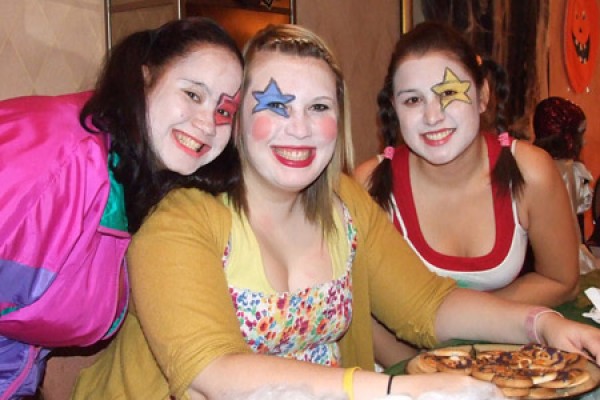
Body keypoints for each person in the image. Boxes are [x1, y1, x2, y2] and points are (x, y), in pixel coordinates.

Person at [73, 23, 600, 400]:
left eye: (319, 107)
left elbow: (428, 304)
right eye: (276, 106)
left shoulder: (345, 203)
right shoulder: (179, 223)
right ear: (235, 119)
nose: (299, 128)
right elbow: (215, 373)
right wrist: (394, 390)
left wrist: (541, 324)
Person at [0, 17, 242, 399]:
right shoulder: (58, 160)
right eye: (193, 95)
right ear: (145, 78)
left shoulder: (138, 182)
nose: (207, 124)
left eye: (224, 111)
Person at [353, 21, 581, 367]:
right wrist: (429, 373)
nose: (432, 116)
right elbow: (361, 310)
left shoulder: (530, 171)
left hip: (502, 358)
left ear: (483, 95)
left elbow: (561, 280)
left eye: (448, 93)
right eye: (413, 100)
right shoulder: (369, 187)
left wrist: (468, 330)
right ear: (394, 110)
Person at [532, 97, 597, 274]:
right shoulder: (566, 171)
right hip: (566, 257)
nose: (584, 142)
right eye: (580, 134)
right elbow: (569, 224)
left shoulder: (532, 164)